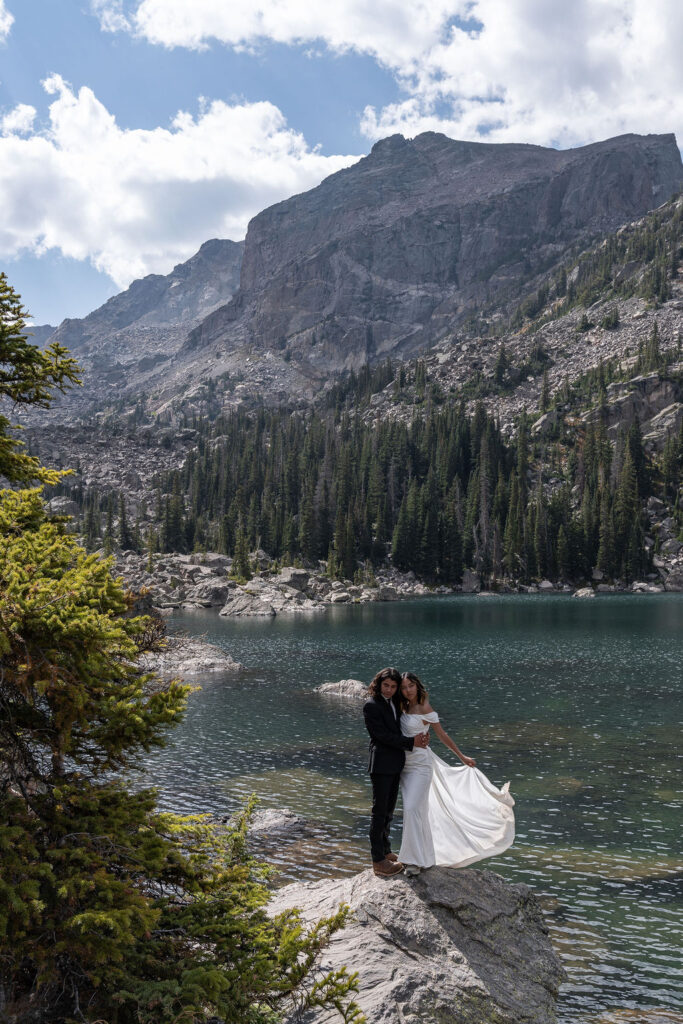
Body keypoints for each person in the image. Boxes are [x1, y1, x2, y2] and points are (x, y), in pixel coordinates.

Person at [398, 671, 515, 875]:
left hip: (421, 765)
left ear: (417, 686)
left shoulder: (425, 708)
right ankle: (422, 858)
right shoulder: (401, 706)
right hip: (404, 766)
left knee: (411, 808)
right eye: (404, 687)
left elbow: (442, 735)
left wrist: (462, 757)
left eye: (410, 686)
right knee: (418, 811)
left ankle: (412, 862)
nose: (407, 690)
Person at [363, 667, 430, 878]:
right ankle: (378, 860)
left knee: (389, 810)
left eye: (393, 686)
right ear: (378, 684)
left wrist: (420, 737)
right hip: (381, 765)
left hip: (395, 765)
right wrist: (411, 742)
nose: (390, 690)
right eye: (386, 686)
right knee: (379, 811)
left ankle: (385, 850)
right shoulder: (371, 705)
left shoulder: (394, 703)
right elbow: (382, 736)